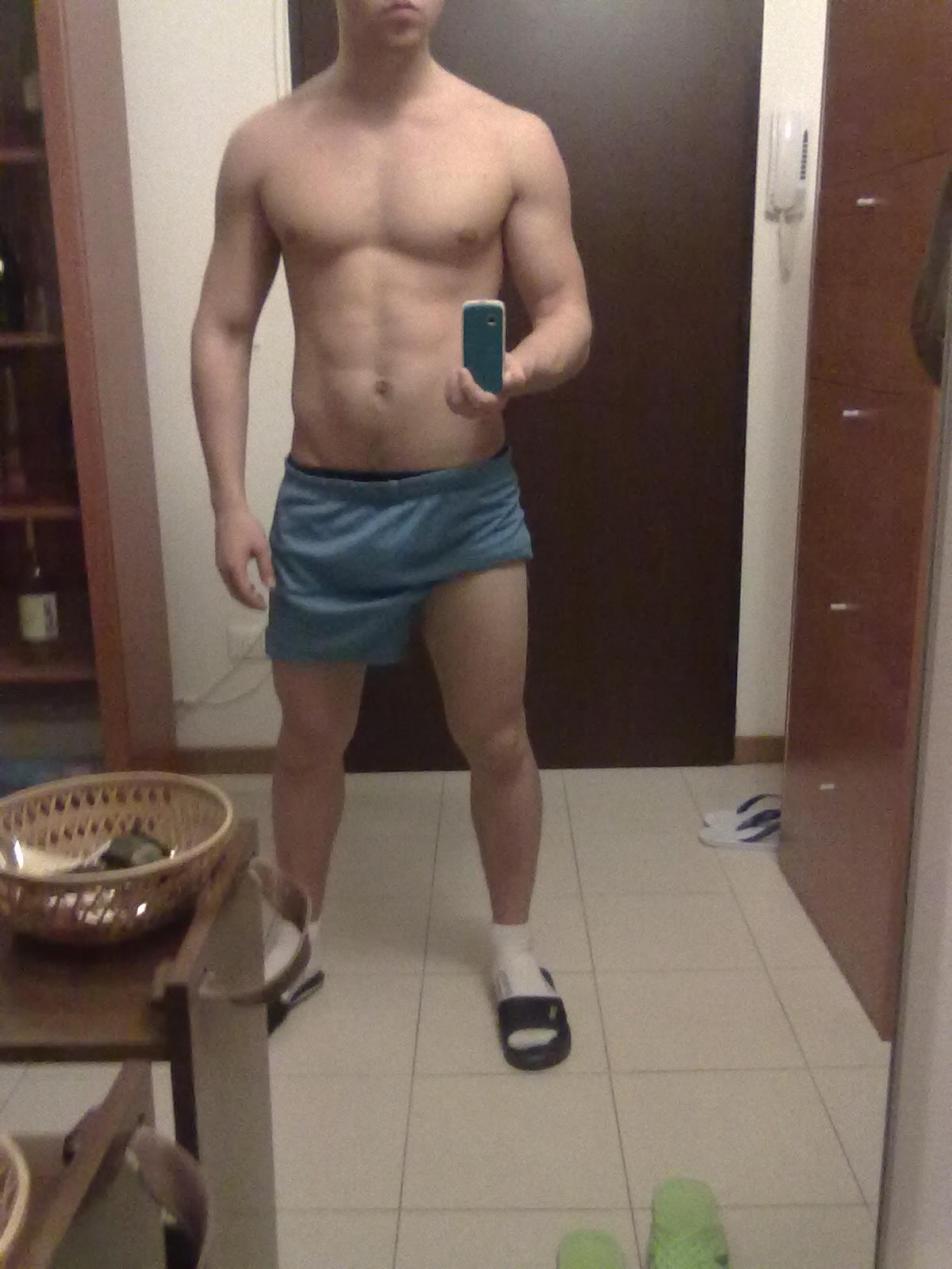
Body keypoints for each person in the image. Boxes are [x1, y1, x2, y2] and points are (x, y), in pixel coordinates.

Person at [191, 0, 592, 1070]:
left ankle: (514, 950)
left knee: (496, 736)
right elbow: (224, 325)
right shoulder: (267, 147)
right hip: (324, 505)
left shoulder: (510, 140)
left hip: (466, 502)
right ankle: (298, 940)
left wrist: (522, 366)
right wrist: (229, 500)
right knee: (308, 742)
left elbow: (568, 309)